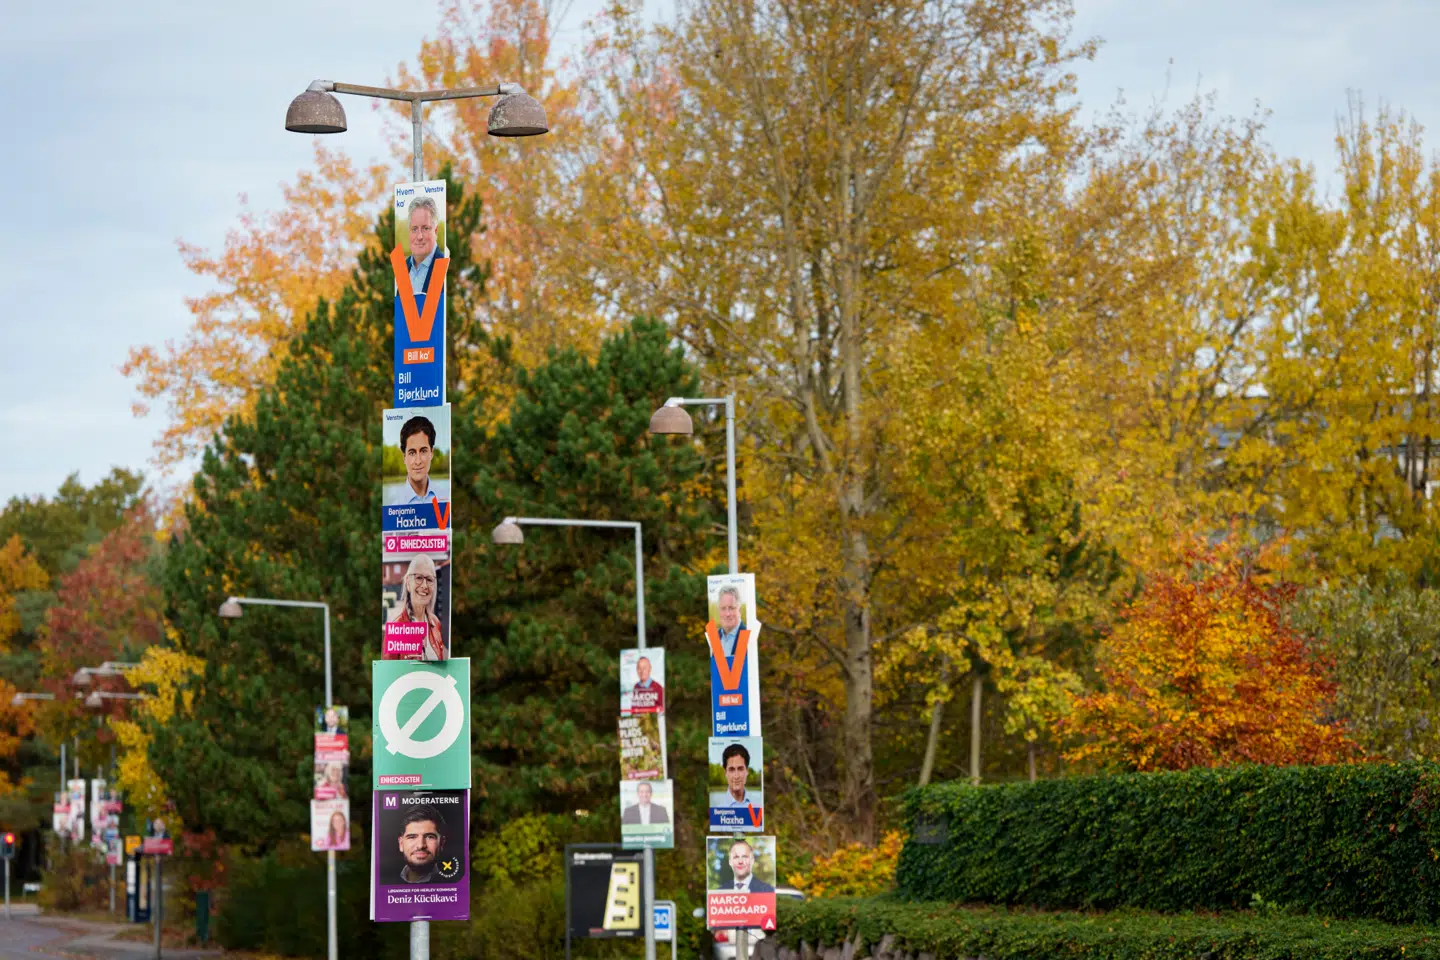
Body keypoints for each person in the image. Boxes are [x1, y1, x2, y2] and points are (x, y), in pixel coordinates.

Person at [389, 554, 446, 661]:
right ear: (408, 584)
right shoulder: (396, 629)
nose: (424, 585)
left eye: (429, 579)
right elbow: (387, 674)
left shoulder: (435, 623)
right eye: (419, 578)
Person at [388, 415, 440, 505]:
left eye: (423, 451)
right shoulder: (394, 506)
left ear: (431, 453)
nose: (418, 461)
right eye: (412, 453)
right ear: (404, 456)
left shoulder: (445, 498)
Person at [405, 196, 445, 296]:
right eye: (414, 229)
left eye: (425, 228)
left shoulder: (447, 267)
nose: (419, 236)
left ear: (435, 231)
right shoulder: (402, 268)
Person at [397, 808, 446, 883]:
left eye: (430, 837)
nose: (421, 845)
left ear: (442, 843)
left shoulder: (455, 883)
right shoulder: (387, 881)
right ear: (401, 844)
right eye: (412, 837)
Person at [713, 585, 748, 658]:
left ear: (739, 609)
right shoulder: (714, 638)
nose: (727, 614)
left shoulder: (749, 636)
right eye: (723, 608)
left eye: (731, 608)